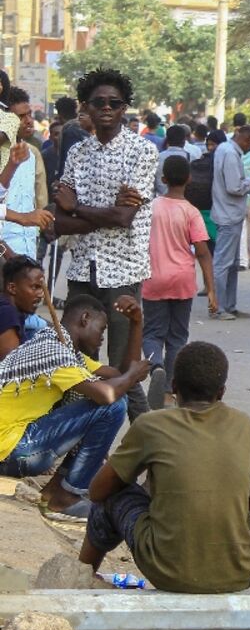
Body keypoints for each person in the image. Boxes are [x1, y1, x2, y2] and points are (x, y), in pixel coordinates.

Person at [79, 341, 250, 593]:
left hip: (169, 571)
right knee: (237, 516)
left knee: (112, 499)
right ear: (222, 392)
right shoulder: (244, 424)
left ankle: (80, 575)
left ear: (175, 387)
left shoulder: (151, 425)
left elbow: (97, 492)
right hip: (237, 571)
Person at [52, 68, 159, 421]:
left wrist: (76, 207)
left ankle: (146, 450)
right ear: (87, 107)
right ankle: (77, 460)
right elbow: (59, 221)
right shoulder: (77, 154)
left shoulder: (142, 152)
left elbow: (123, 219)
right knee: (78, 367)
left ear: (125, 107)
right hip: (83, 269)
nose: (107, 108)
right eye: (99, 102)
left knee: (124, 368)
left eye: (115, 102)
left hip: (123, 272)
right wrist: (100, 211)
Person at [0, 295, 150, 518]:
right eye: (101, 329)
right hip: (12, 451)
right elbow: (109, 394)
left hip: (13, 448)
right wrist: (131, 376)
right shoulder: (54, 353)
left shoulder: (63, 349)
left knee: (104, 398)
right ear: (85, 318)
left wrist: (137, 323)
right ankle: (66, 497)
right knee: (113, 405)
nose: (102, 338)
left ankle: (55, 492)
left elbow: (121, 375)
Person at [142, 155, 217, 407]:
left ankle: (155, 368)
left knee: (152, 333)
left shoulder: (150, 208)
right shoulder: (191, 212)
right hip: (182, 280)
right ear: (189, 179)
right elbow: (203, 252)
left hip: (153, 279)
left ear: (163, 179)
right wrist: (212, 291)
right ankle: (167, 390)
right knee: (177, 337)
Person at [210, 126, 250, 321]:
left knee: (231, 263)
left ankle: (229, 305)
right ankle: (219, 307)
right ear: (246, 140)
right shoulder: (230, 153)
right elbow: (234, 187)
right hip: (229, 213)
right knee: (223, 263)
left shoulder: (224, 149)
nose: (249, 150)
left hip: (228, 213)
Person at [0, 89, 48, 258]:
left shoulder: (32, 154)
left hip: (28, 244)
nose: (28, 121)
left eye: (29, 115)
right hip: (4, 249)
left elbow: (39, 197)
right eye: (21, 117)